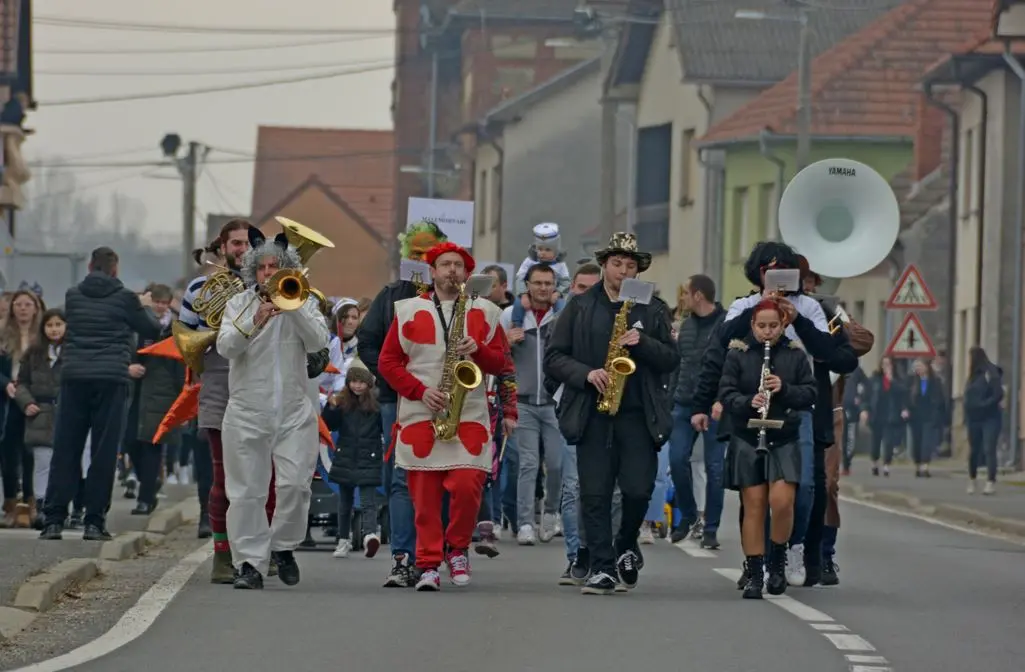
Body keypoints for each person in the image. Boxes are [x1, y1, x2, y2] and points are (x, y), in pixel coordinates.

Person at [544, 233, 677, 595]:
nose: (623, 271)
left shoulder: (652, 308)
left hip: (637, 414)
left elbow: (671, 359)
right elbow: (554, 357)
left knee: (637, 491)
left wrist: (644, 342)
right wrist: (586, 374)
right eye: (617, 264)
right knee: (595, 493)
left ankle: (627, 542)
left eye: (631, 265)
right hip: (594, 410)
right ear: (604, 265)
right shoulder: (580, 305)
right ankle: (602, 567)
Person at [376, 241, 510, 591]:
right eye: (445, 264)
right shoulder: (406, 310)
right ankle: (428, 564)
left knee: (468, 486)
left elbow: (502, 363)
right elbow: (387, 363)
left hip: (469, 411)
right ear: (432, 272)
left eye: (458, 265)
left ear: (467, 273)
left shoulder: (487, 312)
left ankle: (458, 548)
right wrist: (420, 391)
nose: (452, 270)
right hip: (422, 410)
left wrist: (478, 349)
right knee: (424, 498)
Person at [216, 232, 330, 590]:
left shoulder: (304, 301)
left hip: (294, 410)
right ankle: (248, 564)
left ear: (287, 269)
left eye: (274, 267)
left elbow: (318, 342)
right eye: (262, 268)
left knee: (296, 485)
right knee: (247, 491)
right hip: (248, 410)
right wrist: (256, 319)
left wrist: (292, 310)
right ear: (254, 273)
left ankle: (283, 547)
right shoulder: (239, 304)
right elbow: (226, 348)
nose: (268, 273)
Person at [39, 247, 163, 541]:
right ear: (115, 270)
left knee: (66, 448)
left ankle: (54, 519)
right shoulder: (125, 298)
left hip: (75, 378)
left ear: (90, 267)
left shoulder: (73, 295)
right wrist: (143, 304)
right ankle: (94, 522)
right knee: (103, 452)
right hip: (111, 380)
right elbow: (153, 328)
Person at [359, 220, 448, 588]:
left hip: (443, 401)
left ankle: (434, 555)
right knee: (400, 478)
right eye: (415, 253)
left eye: (428, 254)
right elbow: (368, 343)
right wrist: (392, 378)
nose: (420, 259)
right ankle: (403, 557)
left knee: (442, 476)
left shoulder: (454, 299)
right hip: (397, 401)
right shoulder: (392, 294)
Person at [719, 298, 817, 599]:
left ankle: (777, 560)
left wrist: (784, 389)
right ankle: (755, 572)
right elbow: (726, 393)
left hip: (783, 434)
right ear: (752, 325)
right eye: (761, 326)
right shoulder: (738, 354)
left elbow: (810, 392)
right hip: (748, 436)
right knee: (754, 504)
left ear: (783, 325)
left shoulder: (795, 355)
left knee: (783, 501)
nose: (767, 332)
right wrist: (749, 401)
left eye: (773, 326)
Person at [501, 264, 564, 545]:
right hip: (524, 401)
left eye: (547, 283)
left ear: (554, 286)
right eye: (537, 283)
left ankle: (550, 513)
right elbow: (492, 351)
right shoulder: (511, 315)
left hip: (555, 402)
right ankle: (525, 522)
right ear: (527, 284)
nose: (542, 288)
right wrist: (505, 342)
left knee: (556, 463)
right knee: (528, 464)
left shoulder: (562, 314)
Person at [668, 274, 726, 547]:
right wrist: (671, 399)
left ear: (699, 295)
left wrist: (723, 399)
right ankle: (689, 515)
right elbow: (679, 365)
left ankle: (711, 528)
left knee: (715, 468)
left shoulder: (726, 325)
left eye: (687, 293)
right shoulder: (686, 326)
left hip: (715, 406)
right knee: (677, 460)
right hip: (683, 402)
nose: (683, 299)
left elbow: (730, 367)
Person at [126, 284, 185, 516]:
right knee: (130, 442)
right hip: (134, 391)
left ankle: (145, 497)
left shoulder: (175, 329)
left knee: (151, 446)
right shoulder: (137, 325)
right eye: (156, 302)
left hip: (162, 394)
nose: (159, 307)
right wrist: (127, 367)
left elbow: (181, 365)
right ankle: (149, 483)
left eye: (163, 302)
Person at [324, 361, 384, 558]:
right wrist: (331, 408)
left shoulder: (377, 403)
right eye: (353, 381)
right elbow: (330, 425)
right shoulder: (341, 401)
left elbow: (383, 427)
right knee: (345, 502)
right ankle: (343, 539)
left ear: (368, 384)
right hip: (345, 455)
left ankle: (369, 535)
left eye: (361, 382)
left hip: (369, 456)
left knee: (368, 500)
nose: (357, 386)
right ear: (348, 383)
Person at [13, 308, 65, 530]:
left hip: (65, 413)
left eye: (58, 324)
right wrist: (26, 402)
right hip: (39, 413)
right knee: (42, 463)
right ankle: (42, 506)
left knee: (64, 463)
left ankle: (63, 506)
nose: (54, 329)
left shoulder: (73, 351)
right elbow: (21, 382)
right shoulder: (34, 353)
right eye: (50, 325)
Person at [0, 289, 43, 528]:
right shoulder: (3, 334)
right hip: (8, 399)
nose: (23, 309)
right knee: (9, 454)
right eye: (19, 304)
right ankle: (9, 504)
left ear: (36, 308)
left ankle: (30, 504)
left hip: (32, 398)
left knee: (30, 454)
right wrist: (6, 383)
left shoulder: (41, 335)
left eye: (28, 304)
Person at [510, 223, 571, 328]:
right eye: (540, 249)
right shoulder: (529, 261)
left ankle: (560, 328)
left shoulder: (560, 265)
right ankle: (517, 326)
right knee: (518, 304)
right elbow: (519, 278)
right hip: (529, 293)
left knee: (561, 307)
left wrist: (558, 293)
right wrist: (523, 294)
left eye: (547, 250)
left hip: (553, 294)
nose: (542, 253)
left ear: (556, 251)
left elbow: (566, 282)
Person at [964, 346, 1002, 495]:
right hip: (974, 418)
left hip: (990, 417)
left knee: (989, 448)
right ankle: (972, 479)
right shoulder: (972, 376)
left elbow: (998, 393)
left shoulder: (990, 372)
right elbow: (967, 398)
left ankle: (990, 481)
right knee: (974, 450)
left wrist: (984, 405)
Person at [908, 358, 946, 478]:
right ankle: (918, 464)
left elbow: (940, 399)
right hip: (916, 416)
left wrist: (938, 414)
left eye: (920, 366)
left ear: (926, 367)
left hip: (930, 416)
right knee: (917, 441)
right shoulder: (912, 381)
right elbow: (906, 397)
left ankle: (925, 465)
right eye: (916, 367)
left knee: (927, 441)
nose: (918, 369)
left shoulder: (935, 381)